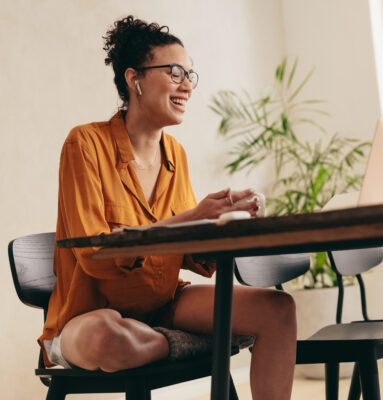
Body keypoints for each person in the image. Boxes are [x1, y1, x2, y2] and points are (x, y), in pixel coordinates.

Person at [38, 15, 296, 399]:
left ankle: (166, 339)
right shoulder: (85, 144)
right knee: (109, 336)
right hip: (89, 314)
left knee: (277, 309)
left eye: (191, 75)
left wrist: (226, 219)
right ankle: (191, 342)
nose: (187, 85)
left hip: (163, 305)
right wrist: (193, 216)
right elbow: (94, 254)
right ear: (134, 79)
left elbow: (194, 255)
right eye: (175, 72)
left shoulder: (174, 154)